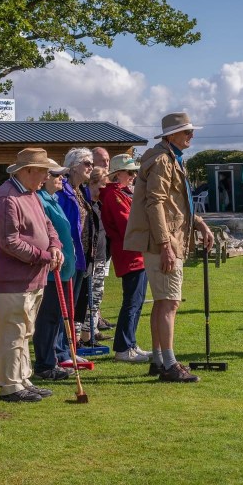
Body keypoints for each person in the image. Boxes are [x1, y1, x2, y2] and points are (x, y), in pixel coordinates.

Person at [124, 112, 214, 382]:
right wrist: (165, 244)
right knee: (170, 302)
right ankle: (169, 364)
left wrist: (199, 223)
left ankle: (160, 359)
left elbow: (176, 204)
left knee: (164, 301)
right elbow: (156, 203)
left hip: (167, 238)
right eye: (187, 132)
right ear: (171, 135)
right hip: (164, 241)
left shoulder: (169, 157)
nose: (191, 136)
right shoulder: (164, 160)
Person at [0, 148, 64, 403]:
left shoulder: (30, 194)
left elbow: (48, 226)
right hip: (14, 279)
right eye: (43, 170)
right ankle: (10, 386)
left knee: (25, 331)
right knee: (13, 331)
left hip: (33, 276)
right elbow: (9, 242)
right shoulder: (8, 197)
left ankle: (22, 378)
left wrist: (54, 246)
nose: (46, 176)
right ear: (28, 170)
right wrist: (45, 256)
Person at [101, 154, 151, 363]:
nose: (133, 176)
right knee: (131, 302)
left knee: (137, 301)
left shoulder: (122, 193)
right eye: (130, 172)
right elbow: (127, 225)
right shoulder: (114, 195)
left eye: (134, 172)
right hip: (130, 254)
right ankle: (123, 347)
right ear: (118, 174)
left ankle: (129, 343)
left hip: (137, 254)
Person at [33, 162, 77, 381]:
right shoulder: (40, 200)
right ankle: (45, 364)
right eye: (56, 175)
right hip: (50, 272)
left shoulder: (54, 200)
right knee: (47, 318)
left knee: (56, 319)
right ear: (45, 177)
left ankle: (52, 360)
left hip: (62, 268)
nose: (62, 178)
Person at [59, 148, 92, 331]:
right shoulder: (62, 190)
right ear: (72, 166)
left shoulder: (82, 191)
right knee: (64, 303)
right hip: (68, 254)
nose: (91, 167)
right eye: (87, 163)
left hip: (82, 255)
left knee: (74, 303)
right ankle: (61, 348)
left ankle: (67, 345)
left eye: (92, 164)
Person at [80, 166, 113, 341]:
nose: (103, 191)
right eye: (101, 187)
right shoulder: (84, 203)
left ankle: (89, 335)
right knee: (84, 299)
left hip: (100, 257)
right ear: (92, 183)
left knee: (96, 298)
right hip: (87, 259)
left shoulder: (100, 204)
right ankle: (79, 337)